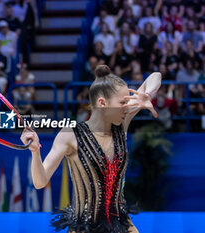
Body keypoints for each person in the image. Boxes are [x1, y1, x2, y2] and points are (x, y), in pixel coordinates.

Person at [20, 65, 161, 233]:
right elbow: (39, 182)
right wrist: (35, 152)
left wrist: (146, 96)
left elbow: (156, 76)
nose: (127, 106)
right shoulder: (69, 135)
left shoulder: (122, 122)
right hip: (84, 228)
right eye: (122, 102)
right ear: (102, 103)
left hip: (121, 225)